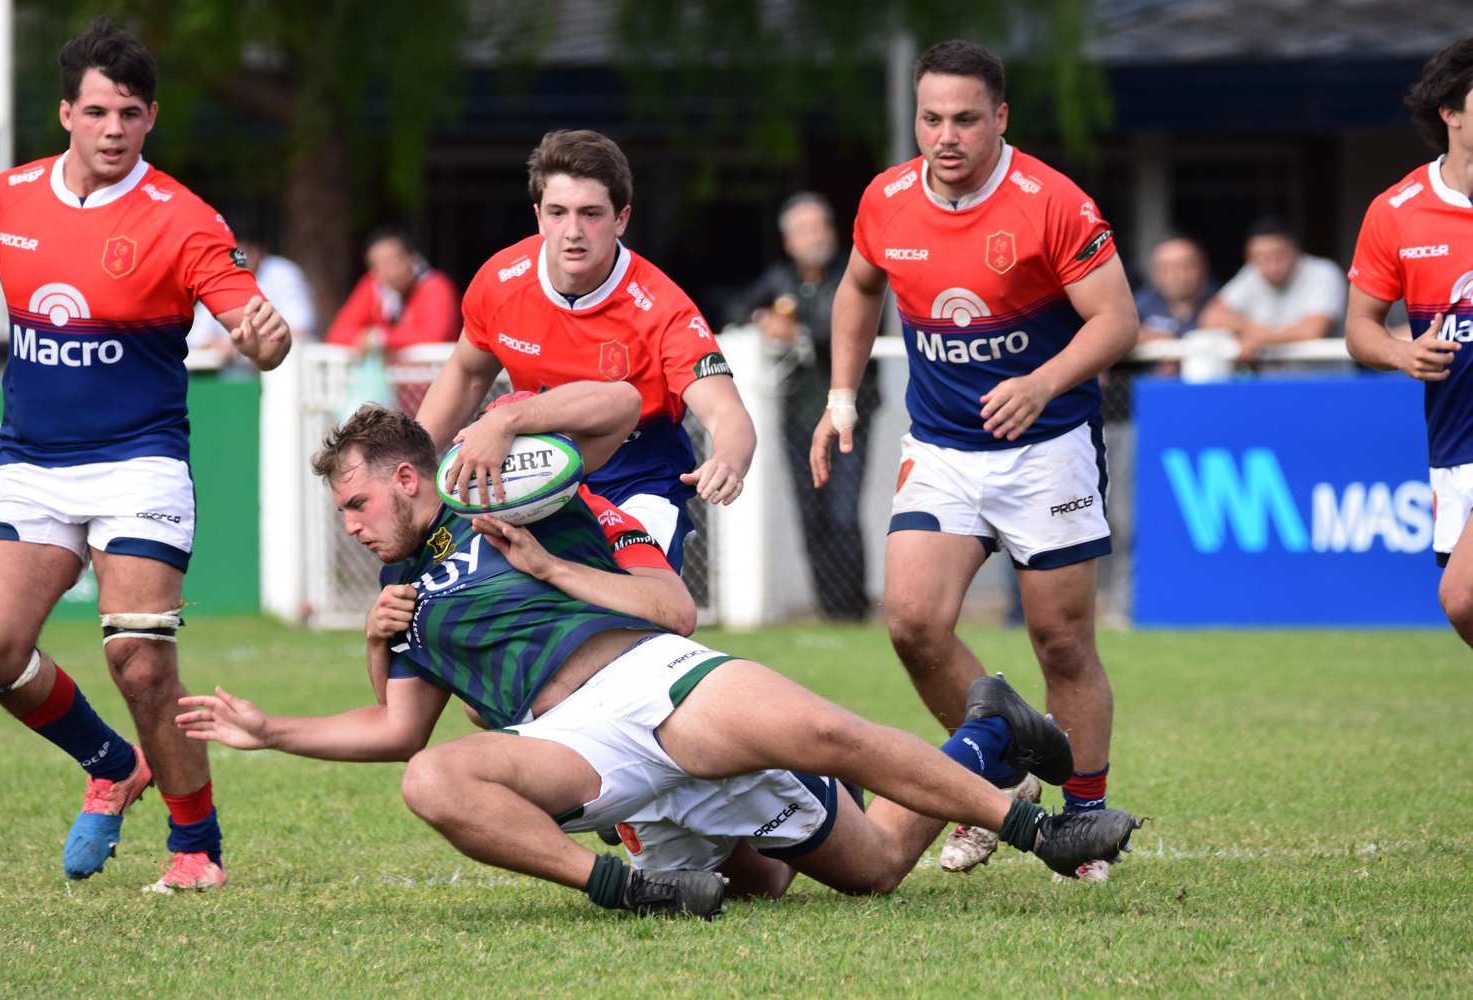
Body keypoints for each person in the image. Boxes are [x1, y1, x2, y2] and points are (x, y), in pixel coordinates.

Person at [175, 402, 1141, 917]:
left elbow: (671, 605)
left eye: (356, 505)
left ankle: (1034, 825)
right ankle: (624, 885)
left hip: (652, 676)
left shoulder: (531, 501)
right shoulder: (407, 606)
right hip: (579, 750)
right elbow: (395, 731)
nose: (350, 527)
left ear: (404, 478)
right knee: (435, 780)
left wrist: (546, 552)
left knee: (834, 751)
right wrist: (279, 725)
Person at [810, 40, 1139, 881]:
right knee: (914, 622)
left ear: (999, 119)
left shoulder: (1053, 203)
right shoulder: (887, 198)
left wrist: (1044, 380)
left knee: (1060, 642)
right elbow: (857, 287)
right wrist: (841, 399)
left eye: (964, 119)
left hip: (1047, 450)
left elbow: (1116, 322)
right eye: (930, 118)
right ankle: (999, 768)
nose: (945, 136)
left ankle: (1085, 815)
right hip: (943, 447)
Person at [0, 17, 290, 891]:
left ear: (151, 119)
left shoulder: (182, 218)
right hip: (31, 461)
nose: (115, 130)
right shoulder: (7, 199)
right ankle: (111, 763)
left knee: (140, 657)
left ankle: (196, 848)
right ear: (67, 113)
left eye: (133, 114)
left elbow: (259, 334)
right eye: (100, 111)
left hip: (139, 463)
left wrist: (266, 338)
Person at [416, 130, 756, 572]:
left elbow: (727, 413)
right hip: (533, 473)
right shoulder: (500, 281)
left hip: (637, 481)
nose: (572, 231)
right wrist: (412, 463)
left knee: (634, 606)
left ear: (621, 219)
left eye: (591, 214)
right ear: (538, 216)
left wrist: (728, 459)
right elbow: (466, 374)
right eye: (558, 212)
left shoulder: (662, 308)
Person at [1346, 35, 1473, 644]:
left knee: (1464, 594)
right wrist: (1401, 351)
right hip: (1454, 443)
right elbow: (1359, 329)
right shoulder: (1396, 211)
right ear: (1450, 111)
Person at [729, 193, 879, 619]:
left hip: (849, 413)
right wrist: (762, 320)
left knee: (843, 513)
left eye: (823, 225)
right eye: (807, 228)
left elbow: (848, 329)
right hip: (796, 416)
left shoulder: (853, 274)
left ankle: (853, 611)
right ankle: (830, 610)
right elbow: (735, 306)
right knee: (810, 514)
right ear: (789, 241)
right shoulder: (779, 278)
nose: (819, 235)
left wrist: (795, 332)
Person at [1199, 216, 1347, 363]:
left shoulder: (1324, 272)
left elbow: (1313, 330)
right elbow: (1210, 317)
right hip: (1271, 380)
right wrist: (1252, 328)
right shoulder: (1251, 274)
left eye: (1278, 256)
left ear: (1295, 250)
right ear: (1249, 257)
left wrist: (1262, 339)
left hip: (1324, 379)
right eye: (1261, 258)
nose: (1271, 267)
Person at [188, 224, 318, 371]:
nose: (232, 260)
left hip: (286, 369)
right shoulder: (217, 276)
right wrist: (223, 345)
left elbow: (299, 329)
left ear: (258, 251)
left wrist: (251, 346)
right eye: (226, 253)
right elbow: (194, 339)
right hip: (229, 371)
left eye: (239, 253)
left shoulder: (282, 273)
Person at [324, 226, 460, 356]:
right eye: (380, 264)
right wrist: (368, 338)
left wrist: (381, 339)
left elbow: (435, 336)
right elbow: (337, 333)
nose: (391, 271)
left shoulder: (436, 286)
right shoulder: (373, 286)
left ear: (412, 257)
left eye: (395, 260)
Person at [1135, 235, 1217, 342]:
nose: (1179, 276)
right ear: (1155, 272)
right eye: (1167, 269)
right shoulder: (1141, 302)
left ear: (1204, 266)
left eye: (1187, 266)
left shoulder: (1224, 299)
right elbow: (1120, 329)